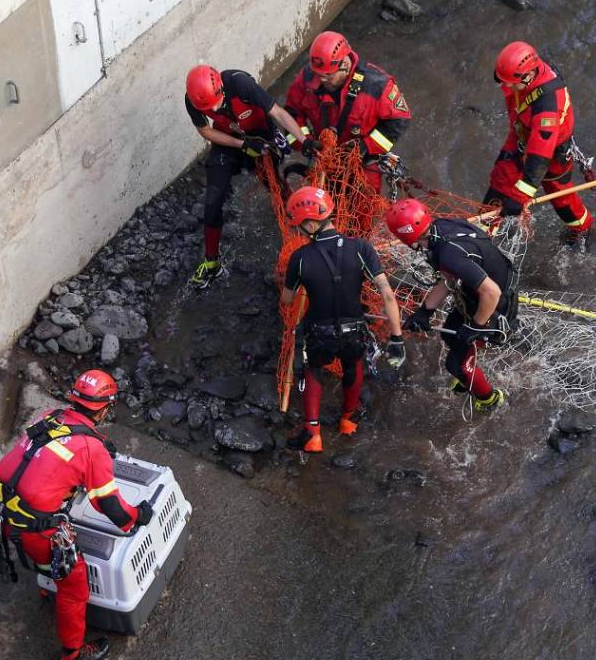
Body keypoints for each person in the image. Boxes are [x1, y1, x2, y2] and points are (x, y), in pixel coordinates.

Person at [0, 369, 153, 660]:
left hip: (0, 509)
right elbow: (110, 507)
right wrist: (138, 517)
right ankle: (72, 659)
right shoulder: (91, 450)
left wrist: (100, 449)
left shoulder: (50, 415)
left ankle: (46, 584)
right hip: (34, 528)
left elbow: (52, 454)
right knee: (74, 583)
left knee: (44, 551)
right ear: (105, 407)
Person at [280, 186, 405, 453]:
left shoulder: (300, 258)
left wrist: (303, 284)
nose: (300, 232)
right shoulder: (361, 248)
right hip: (353, 331)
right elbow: (387, 294)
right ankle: (348, 420)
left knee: (313, 368)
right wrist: (397, 338)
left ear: (311, 223)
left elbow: (287, 300)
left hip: (319, 332)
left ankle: (313, 433)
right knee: (353, 365)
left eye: (301, 227)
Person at [185, 64, 310, 289]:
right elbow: (205, 131)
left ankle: (297, 221)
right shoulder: (194, 101)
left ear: (221, 89)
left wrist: (304, 140)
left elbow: (278, 113)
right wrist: (242, 145)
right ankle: (211, 262)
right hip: (229, 140)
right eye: (209, 108)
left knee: (273, 184)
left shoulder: (240, 84)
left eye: (216, 103)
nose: (215, 108)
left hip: (262, 136)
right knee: (213, 200)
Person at [385, 199, 513, 412]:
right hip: (475, 295)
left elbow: (492, 292)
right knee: (449, 335)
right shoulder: (441, 228)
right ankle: (469, 379)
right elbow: (449, 278)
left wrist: (476, 326)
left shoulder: (447, 253)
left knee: (456, 365)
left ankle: (490, 400)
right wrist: (425, 311)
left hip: (491, 304)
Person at [486, 41, 593, 241]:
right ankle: (483, 230)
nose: (505, 87)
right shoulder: (526, 70)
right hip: (522, 133)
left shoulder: (548, 108)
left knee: (559, 195)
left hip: (552, 151)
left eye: (510, 82)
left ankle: (583, 230)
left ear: (528, 76)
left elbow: (540, 155)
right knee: (501, 177)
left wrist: (520, 196)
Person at [285, 31, 411, 191]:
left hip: (363, 166)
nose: (321, 80)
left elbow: (399, 120)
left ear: (344, 65)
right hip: (325, 159)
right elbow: (291, 114)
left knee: (362, 209)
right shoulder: (307, 78)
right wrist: (305, 142)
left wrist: (366, 147)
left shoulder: (377, 85)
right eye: (318, 74)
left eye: (327, 76)